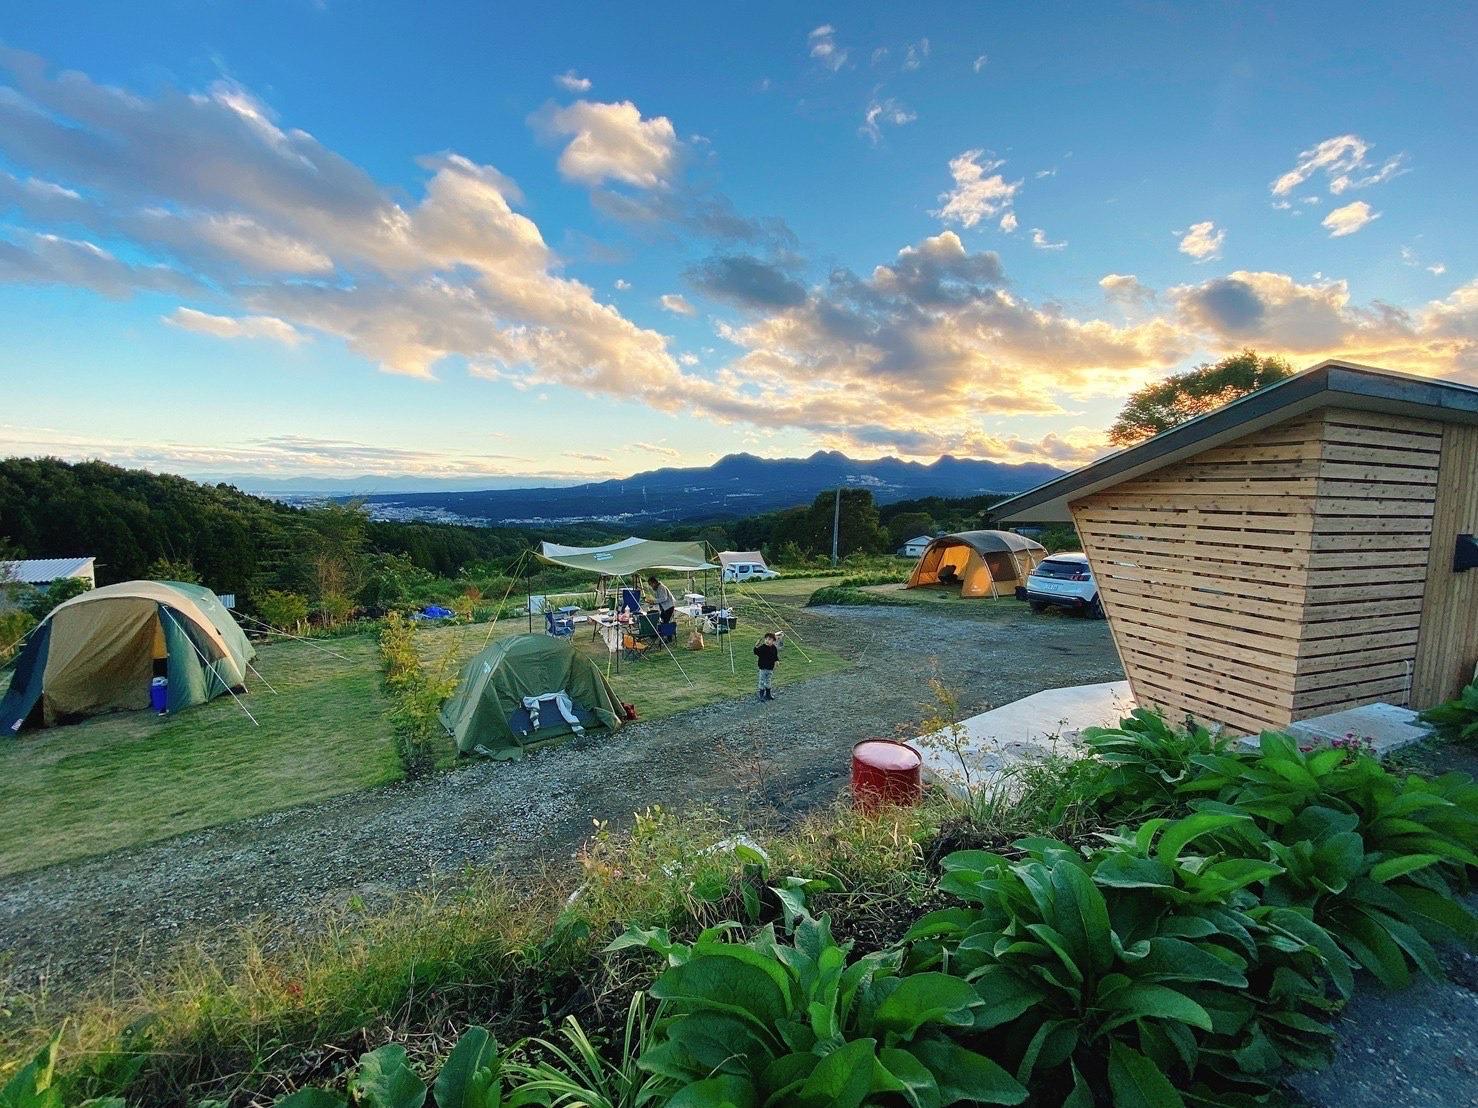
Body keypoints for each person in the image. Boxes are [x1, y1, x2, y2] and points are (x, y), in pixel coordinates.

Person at [753, 630, 783, 702]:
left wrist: (777, 661)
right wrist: (756, 646)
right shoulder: (762, 647)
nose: (767, 641)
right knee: (762, 681)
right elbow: (756, 652)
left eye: (769, 639)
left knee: (768, 681)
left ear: (773, 641)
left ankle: (768, 694)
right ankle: (761, 695)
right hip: (763, 668)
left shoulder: (774, 648)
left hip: (770, 668)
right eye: (766, 639)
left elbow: (775, 656)